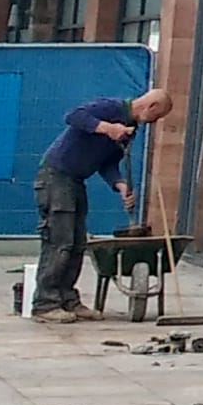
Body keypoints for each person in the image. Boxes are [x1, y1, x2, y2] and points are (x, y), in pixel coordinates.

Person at [32, 86, 173, 319]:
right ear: (151, 106)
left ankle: (68, 299)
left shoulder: (131, 131)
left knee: (77, 243)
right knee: (60, 241)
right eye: (156, 116)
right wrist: (107, 128)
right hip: (56, 177)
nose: (154, 122)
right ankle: (45, 304)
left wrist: (120, 185)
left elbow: (107, 164)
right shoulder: (111, 107)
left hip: (76, 181)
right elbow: (73, 116)